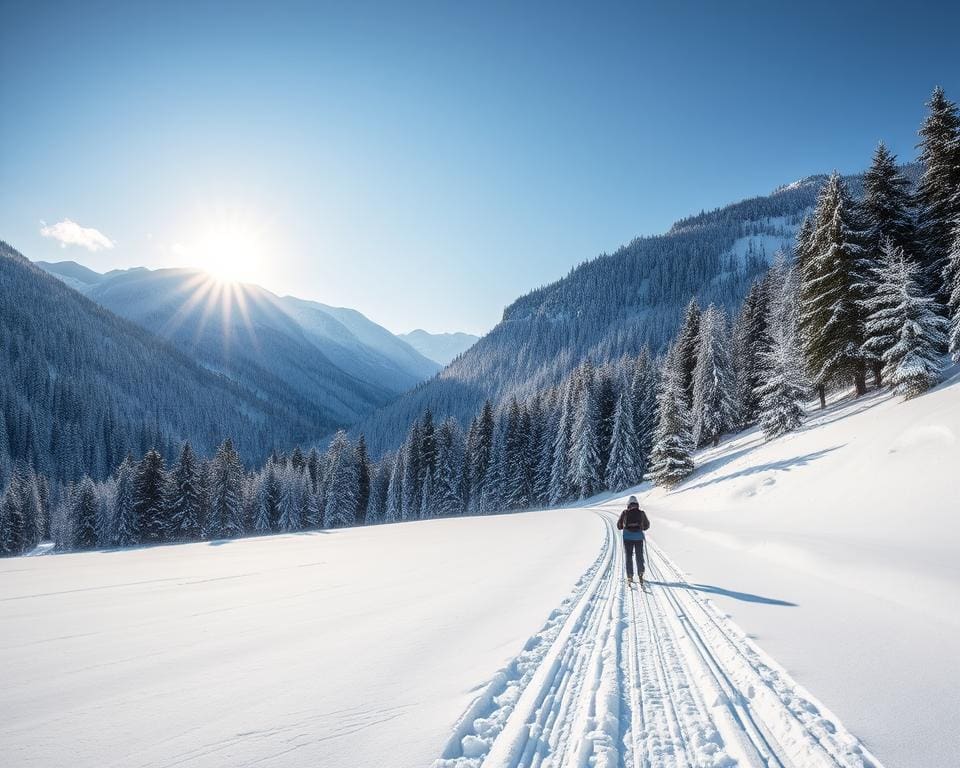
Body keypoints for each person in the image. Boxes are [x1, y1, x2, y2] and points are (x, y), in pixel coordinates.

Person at [617, 496, 650, 584]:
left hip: (627, 538)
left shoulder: (624, 513)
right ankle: (640, 573)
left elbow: (619, 526)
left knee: (628, 556)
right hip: (638, 537)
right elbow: (647, 526)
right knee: (639, 555)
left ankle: (630, 576)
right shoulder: (641, 513)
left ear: (628, 504)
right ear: (637, 504)